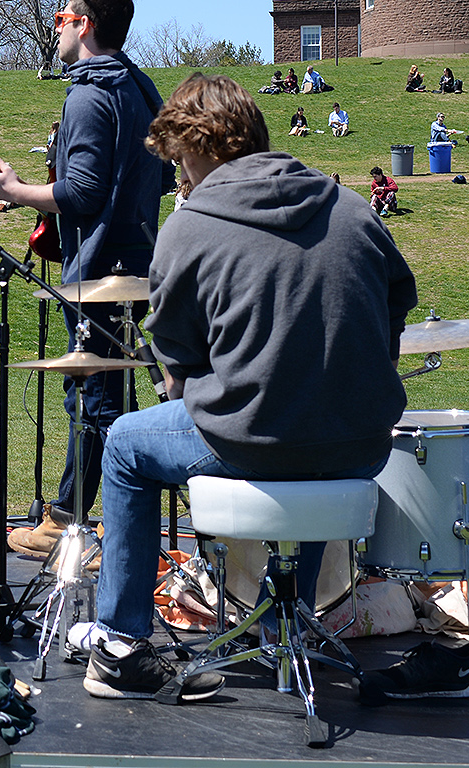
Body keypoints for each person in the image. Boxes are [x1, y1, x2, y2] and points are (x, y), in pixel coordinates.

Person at [81, 72, 424, 704]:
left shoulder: (191, 225)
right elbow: (397, 303)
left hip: (257, 438)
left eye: (182, 163)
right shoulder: (351, 206)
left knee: (127, 444)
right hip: (361, 445)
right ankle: (286, 625)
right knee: (316, 429)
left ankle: (119, 646)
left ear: (205, 146)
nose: (180, 181)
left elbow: (178, 365)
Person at [0, 0, 173, 558]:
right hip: (139, 261)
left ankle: (68, 522)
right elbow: (162, 173)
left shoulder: (90, 94)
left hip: (99, 274)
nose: (56, 29)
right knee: (117, 397)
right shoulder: (139, 88)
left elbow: (84, 193)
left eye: (63, 18)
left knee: (94, 401)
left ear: (84, 25)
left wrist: (17, 192)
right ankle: (104, 518)